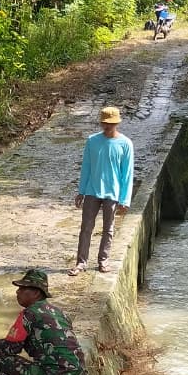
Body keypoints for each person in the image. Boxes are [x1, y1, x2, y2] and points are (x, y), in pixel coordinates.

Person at [0, 269, 87, 375]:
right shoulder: (60, 313)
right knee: (45, 356)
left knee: (1, 360)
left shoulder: (29, 314)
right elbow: (68, 348)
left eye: (22, 289)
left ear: (35, 293)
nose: (17, 292)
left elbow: (11, 348)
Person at [70, 105, 134, 275]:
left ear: (117, 123)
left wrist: (124, 199)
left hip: (112, 192)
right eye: (105, 123)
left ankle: (103, 260)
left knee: (108, 229)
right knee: (86, 228)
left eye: (110, 123)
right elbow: (86, 167)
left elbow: (127, 174)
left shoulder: (125, 144)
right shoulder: (92, 141)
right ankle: (81, 262)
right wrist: (81, 191)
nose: (107, 126)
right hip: (92, 190)